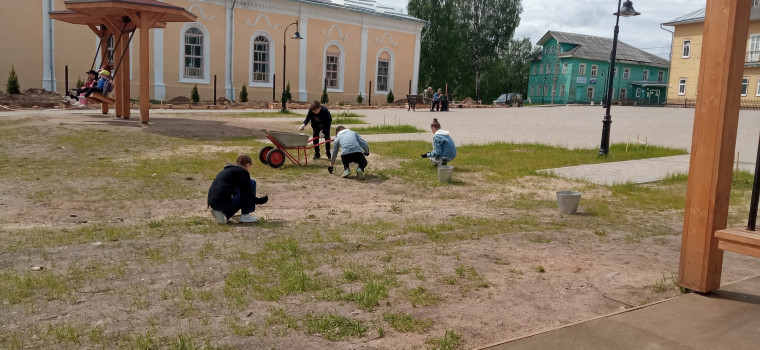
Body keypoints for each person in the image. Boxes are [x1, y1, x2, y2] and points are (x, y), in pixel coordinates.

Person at [207, 154, 268, 224]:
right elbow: (247, 194)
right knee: (252, 183)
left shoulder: (226, 171)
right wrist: (259, 201)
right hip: (223, 202)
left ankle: (223, 214)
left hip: (212, 203)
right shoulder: (243, 173)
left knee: (237, 191)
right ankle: (246, 215)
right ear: (248, 165)